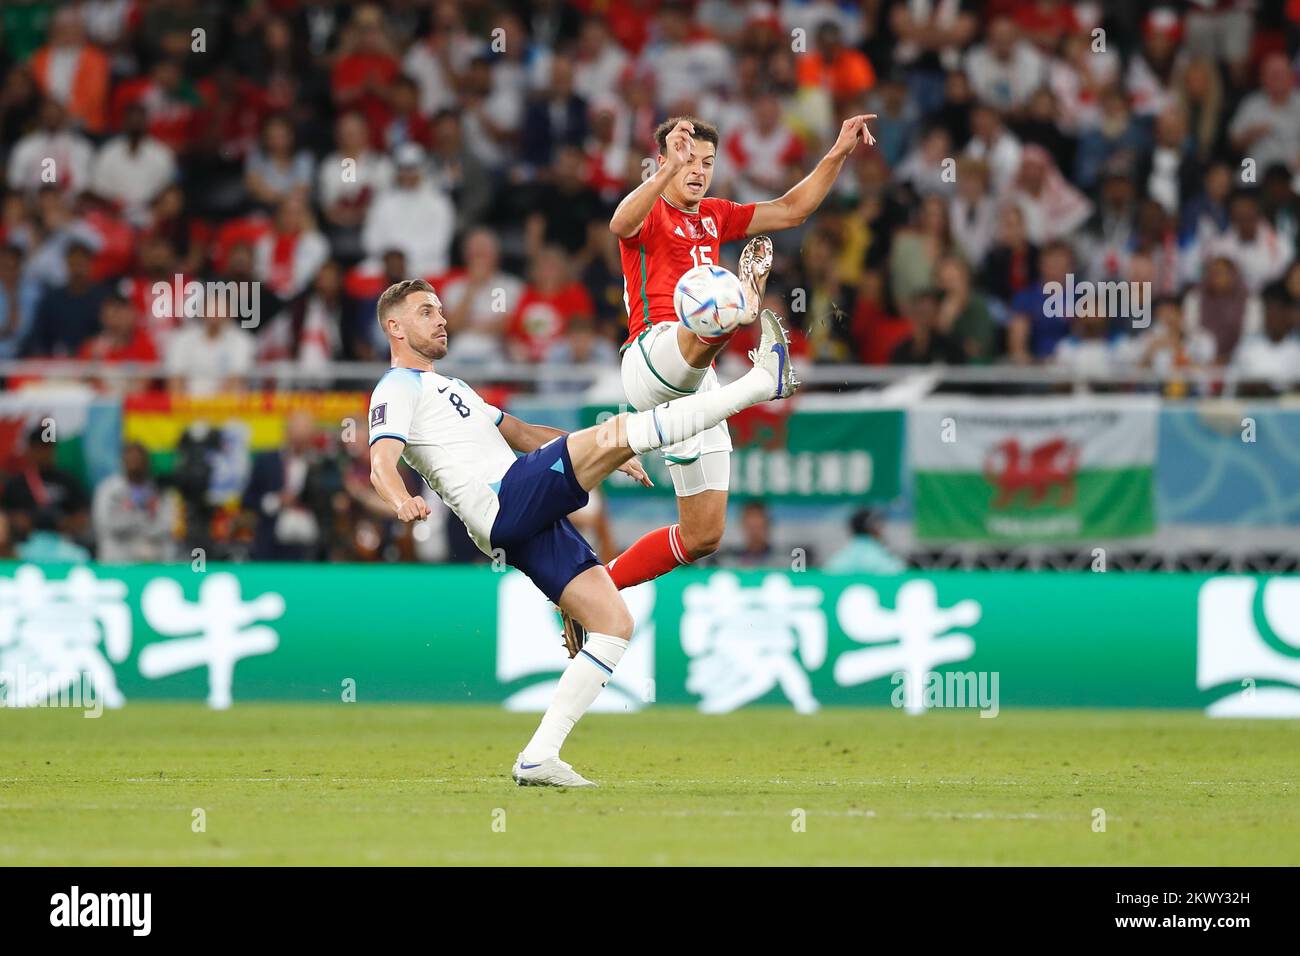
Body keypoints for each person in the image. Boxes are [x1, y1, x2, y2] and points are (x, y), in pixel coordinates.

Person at [367, 279, 798, 787]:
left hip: (515, 516)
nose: (440, 319)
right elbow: (380, 461)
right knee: (619, 428)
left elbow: (526, 435)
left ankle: (539, 755)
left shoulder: (453, 387)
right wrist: (402, 501)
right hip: (503, 498)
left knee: (614, 622)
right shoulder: (396, 387)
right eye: (425, 312)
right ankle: (758, 385)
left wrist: (610, 456)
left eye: (440, 310)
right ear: (394, 327)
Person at [600, 112, 875, 617]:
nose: (698, 169)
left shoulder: (716, 216)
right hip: (651, 356)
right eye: (687, 160)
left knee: (703, 534)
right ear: (663, 162)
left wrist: (838, 150)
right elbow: (619, 224)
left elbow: (792, 210)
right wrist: (663, 173)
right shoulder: (650, 209)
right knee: (715, 297)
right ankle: (742, 310)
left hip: (697, 386)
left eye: (707, 161)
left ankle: (597, 590)